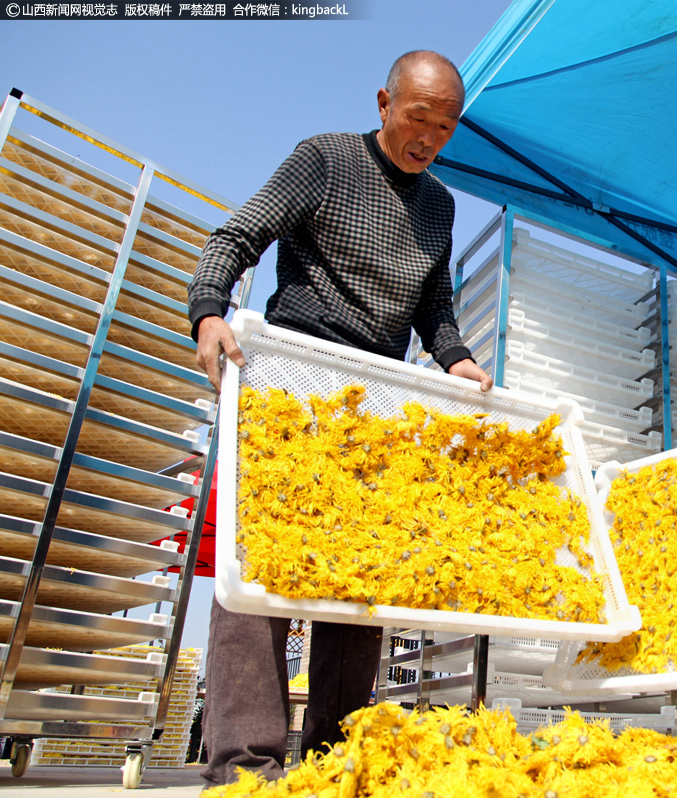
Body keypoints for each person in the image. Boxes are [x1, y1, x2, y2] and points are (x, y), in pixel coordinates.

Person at [187, 51, 492, 786]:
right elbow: (238, 235)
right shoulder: (324, 158)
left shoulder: (440, 205)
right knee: (259, 569)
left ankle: (333, 758)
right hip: (291, 379)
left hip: (376, 398)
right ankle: (246, 765)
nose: (429, 139)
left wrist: (458, 361)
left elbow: (435, 312)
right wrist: (207, 311)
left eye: (445, 128)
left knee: (359, 581)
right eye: (418, 119)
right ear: (385, 101)